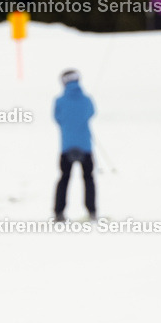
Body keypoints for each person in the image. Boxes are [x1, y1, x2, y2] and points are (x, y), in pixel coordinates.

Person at [53, 69, 96, 222]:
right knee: (88, 179)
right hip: (85, 146)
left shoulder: (59, 101)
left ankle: (59, 213)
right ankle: (92, 211)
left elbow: (57, 118)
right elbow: (91, 113)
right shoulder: (87, 99)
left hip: (66, 147)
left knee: (64, 179)